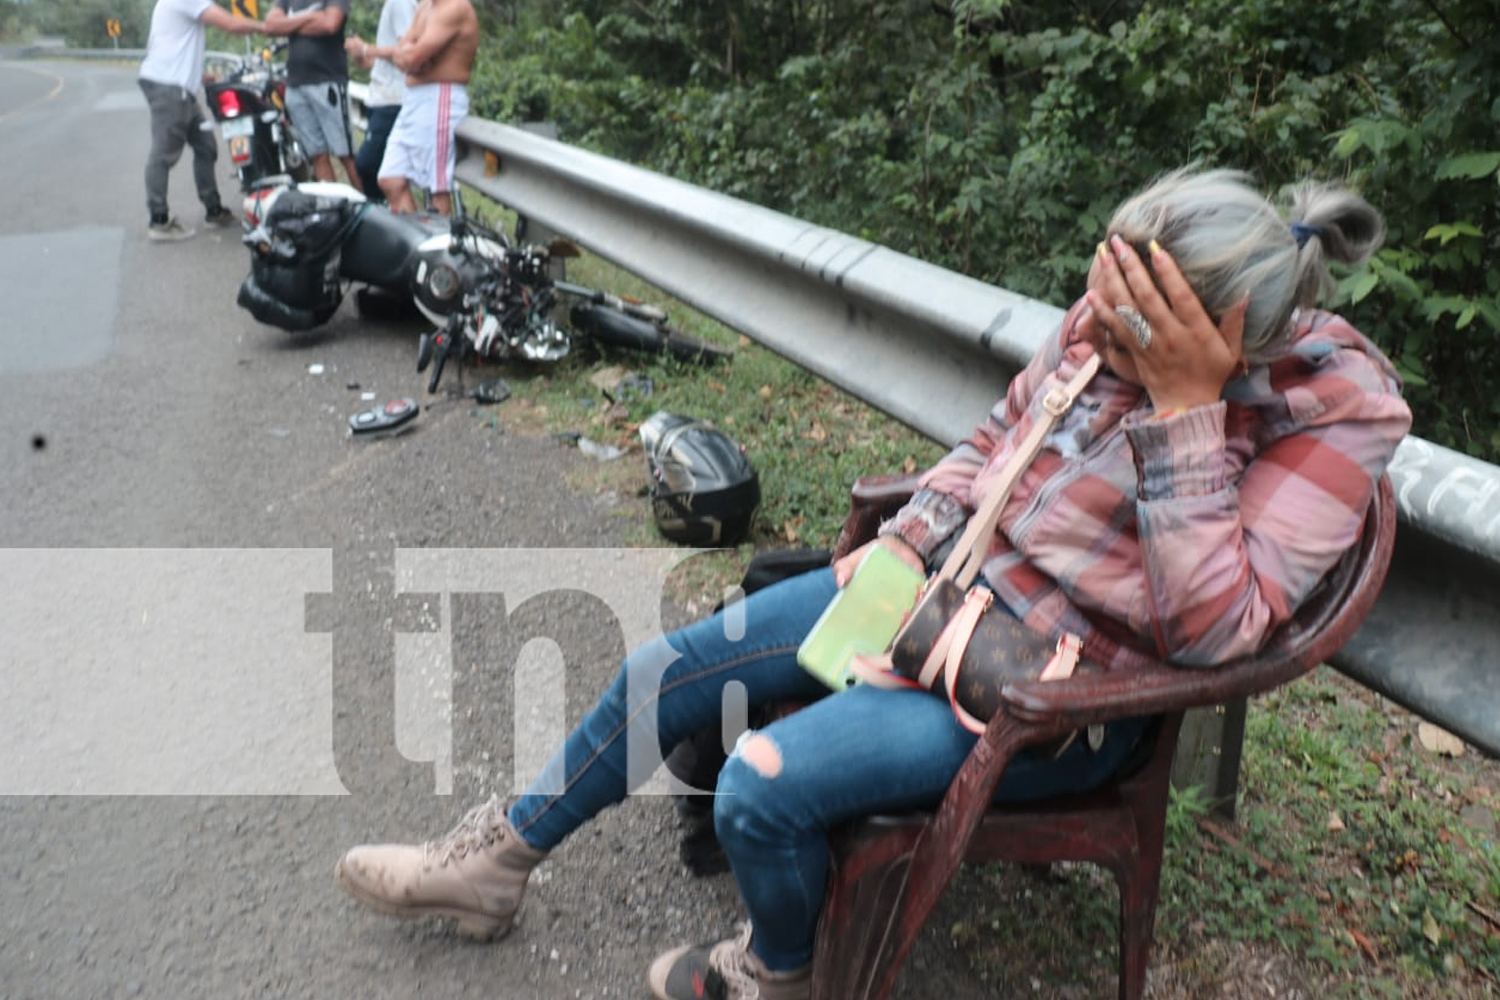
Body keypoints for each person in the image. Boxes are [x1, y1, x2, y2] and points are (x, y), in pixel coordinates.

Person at [333, 167, 1413, 1000]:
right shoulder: (1115, 313)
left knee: (760, 784)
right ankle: (501, 858)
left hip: (1056, 697)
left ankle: (781, 971)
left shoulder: (1334, 416)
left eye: (1128, 335)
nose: (1094, 338)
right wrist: (911, 537)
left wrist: (1185, 413)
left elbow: (1218, 632)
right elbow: (998, 438)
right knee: (667, 668)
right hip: (944, 592)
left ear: (1219, 336)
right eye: (1100, 305)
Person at [138, 0, 264, 242]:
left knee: (206, 145)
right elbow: (228, 23)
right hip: (170, 89)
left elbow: (171, 42)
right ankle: (159, 220)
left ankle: (213, 210)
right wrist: (266, 27)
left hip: (181, 88)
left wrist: (198, 73)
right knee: (163, 154)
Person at [377, 0, 478, 215]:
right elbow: (402, 52)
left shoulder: (454, 8)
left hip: (440, 98)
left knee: (437, 188)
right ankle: (416, 241)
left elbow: (411, 59)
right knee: (390, 179)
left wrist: (410, 54)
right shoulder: (424, 7)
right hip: (413, 100)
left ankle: (441, 242)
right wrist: (409, 54)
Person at [263, 0, 364, 192]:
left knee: (347, 155)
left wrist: (289, 24)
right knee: (317, 154)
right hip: (296, 84)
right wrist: (310, 17)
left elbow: (330, 24)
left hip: (328, 82)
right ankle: (334, 208)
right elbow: (270, 25)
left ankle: (369, 209)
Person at [344, 0, 417, 203]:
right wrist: (363, 56)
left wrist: (367, 48)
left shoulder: (400, 3)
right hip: (382, 98)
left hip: (394, 100)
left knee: (368, 166)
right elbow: (392, 55)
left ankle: (388, 218)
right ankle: (388, 214)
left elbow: (407, 53)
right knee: (383, 174)